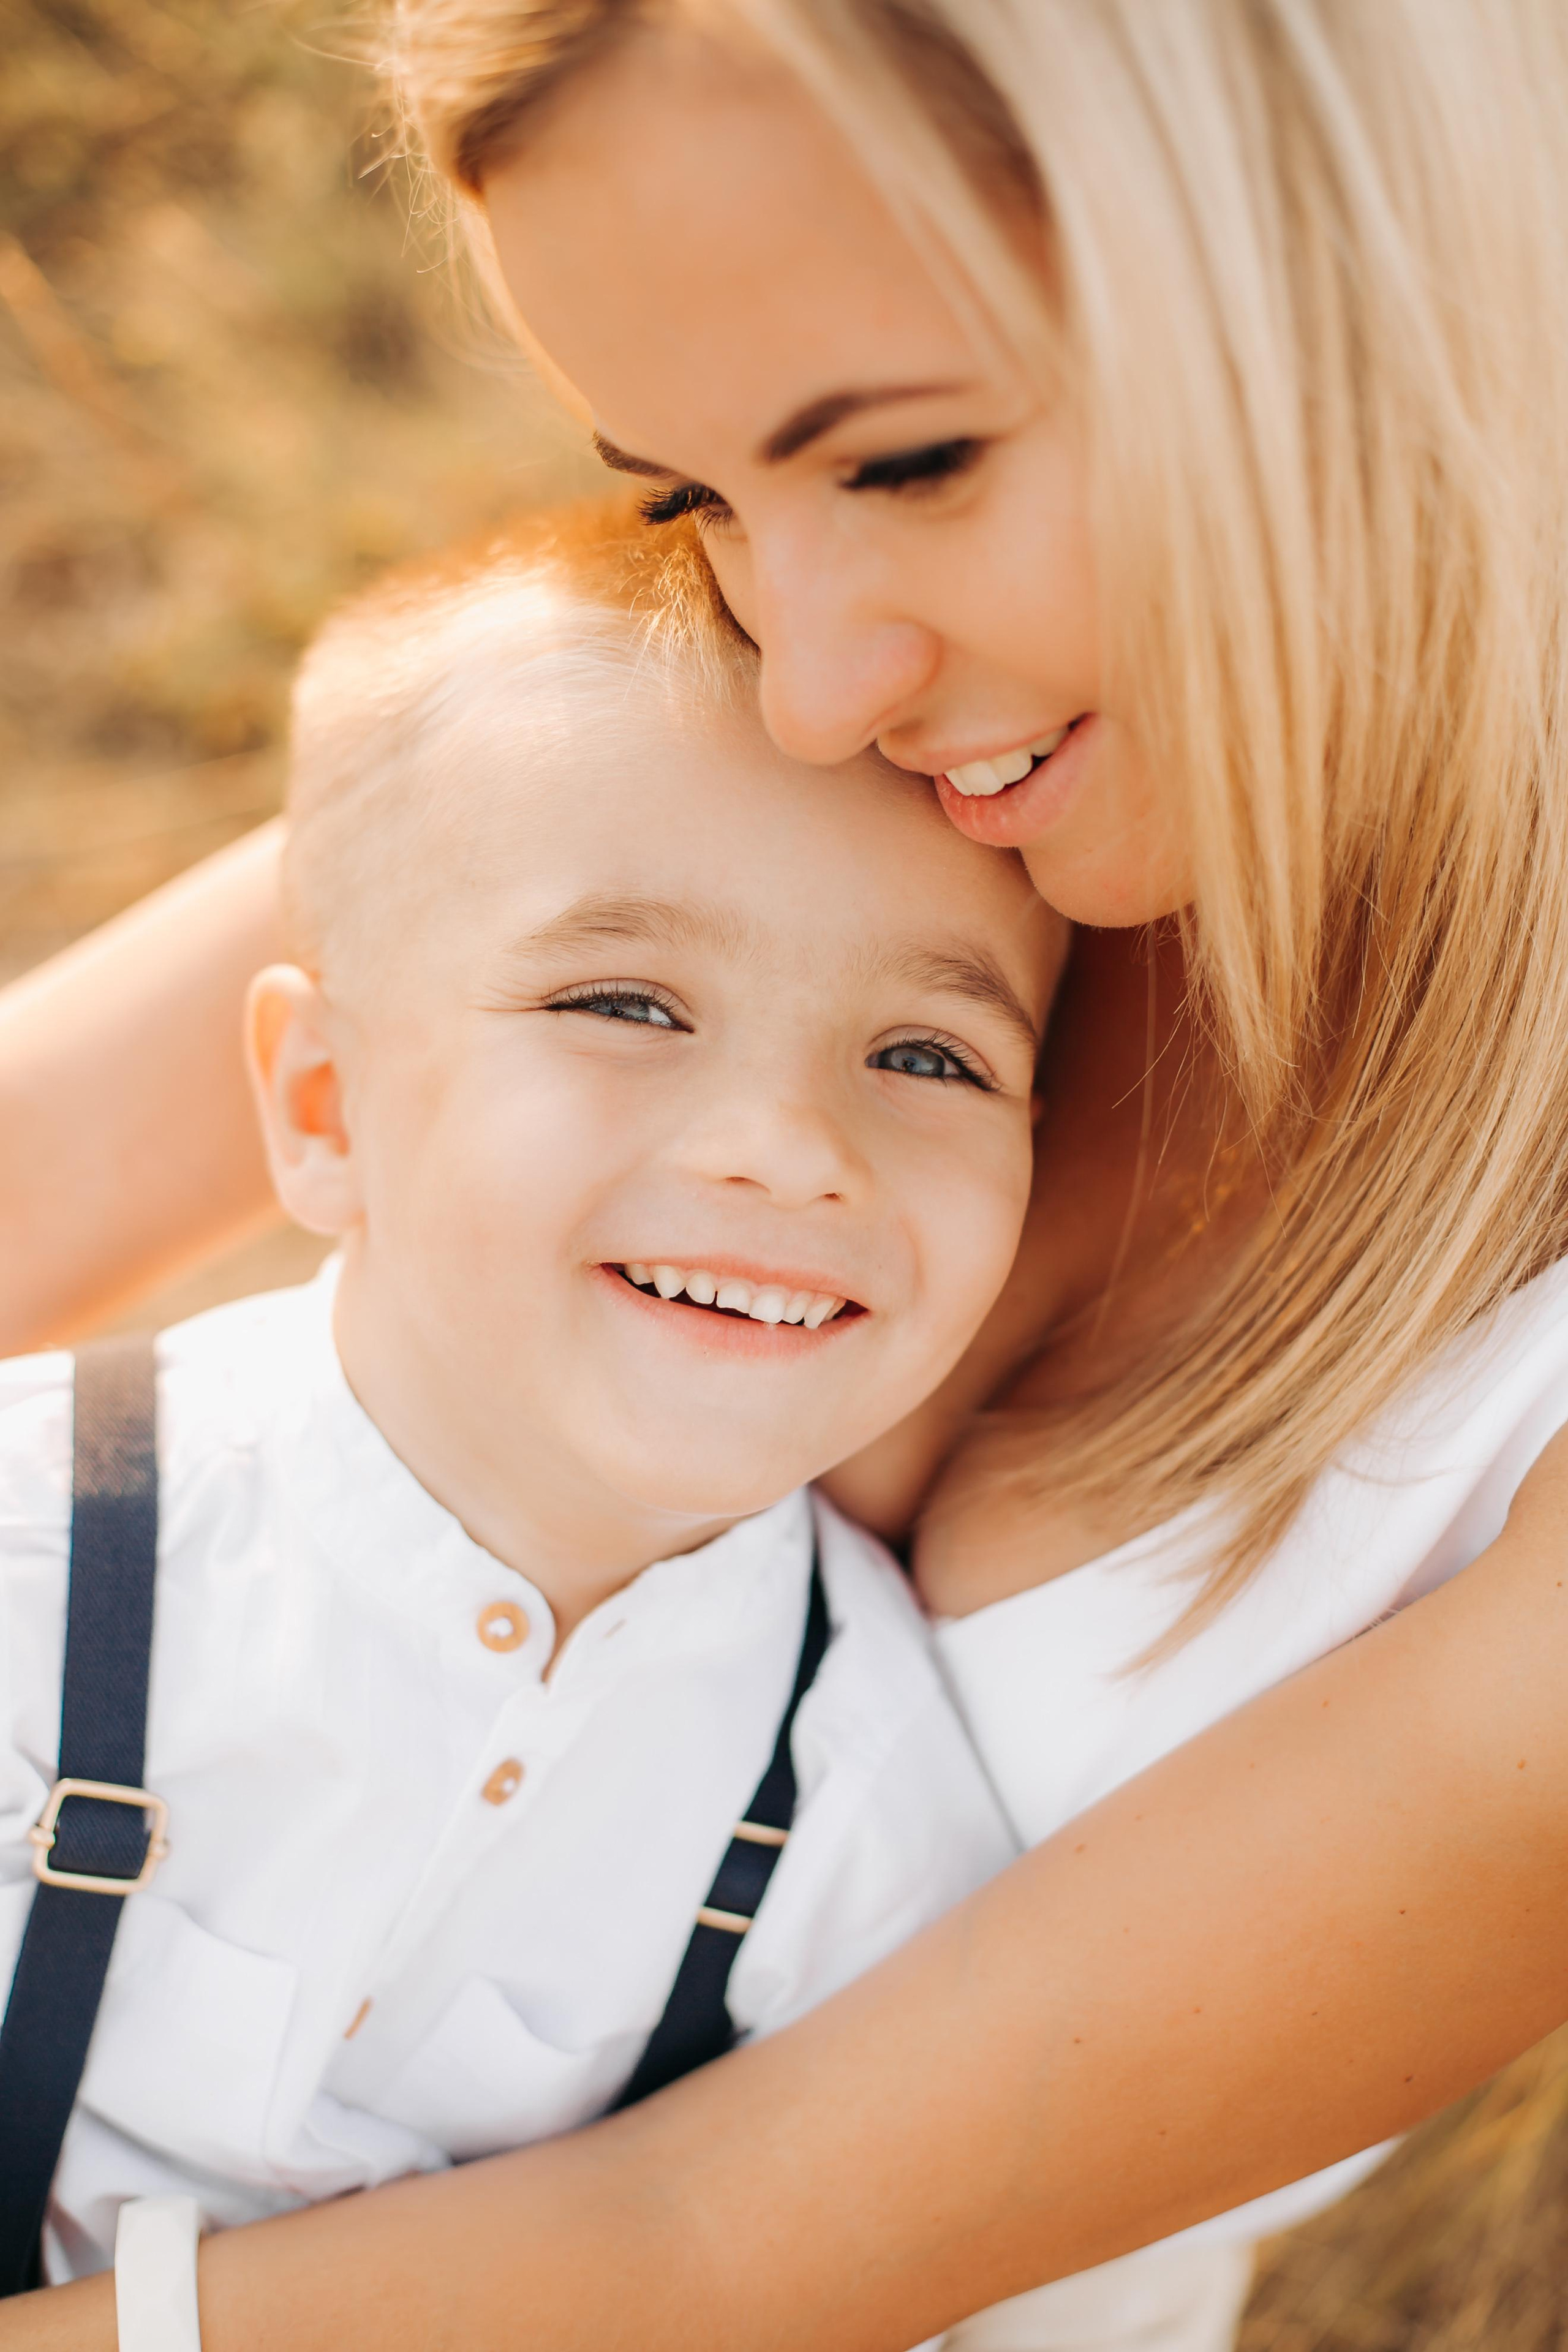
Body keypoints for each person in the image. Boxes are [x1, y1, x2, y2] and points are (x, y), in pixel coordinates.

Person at [1, 2, 1567, 2348]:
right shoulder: (816, 725)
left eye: (912, 461)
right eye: (694, 496)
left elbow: (713, 2256)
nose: (809, 682)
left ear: (1377, 292)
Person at [0, 512, 1060, 2308]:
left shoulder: (868, 1806)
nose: (792, 1149)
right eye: (627, 1002)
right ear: (327, 1108)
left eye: (928, 1054)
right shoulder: (44, 1548)